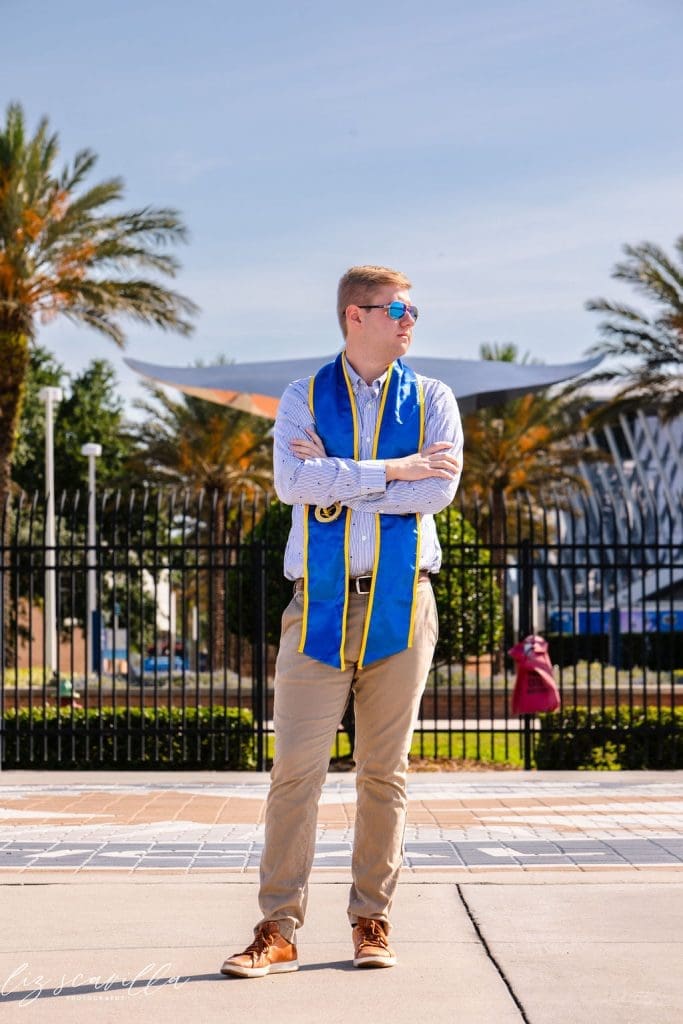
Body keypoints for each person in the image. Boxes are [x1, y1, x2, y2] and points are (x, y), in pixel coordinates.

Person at [221, 265, 463, 978]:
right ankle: (278, 927)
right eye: (396, 308)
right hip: (318, 605)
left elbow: (439, 488)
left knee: (383, 774)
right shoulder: (301, 397)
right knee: (295, 770)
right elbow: (293, 483)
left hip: (401, 602)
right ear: (354, 316)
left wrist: (345, 472)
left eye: (411, 307)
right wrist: (394, 470)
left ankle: (370, 920)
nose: (409, 318)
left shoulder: (433, 398)